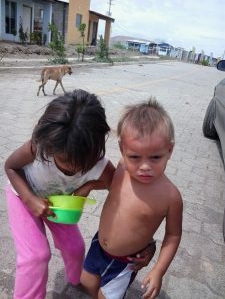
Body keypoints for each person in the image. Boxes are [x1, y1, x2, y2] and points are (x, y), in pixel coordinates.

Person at [4, 89, 115, 299]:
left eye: (79, 166)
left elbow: (119, 189)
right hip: (22, 195)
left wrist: (89, 185)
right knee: (36, 256)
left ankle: (76, 281)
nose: (71, 170)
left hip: (57, 203)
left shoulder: (99, 162)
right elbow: (10, 167)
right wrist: (29, 199)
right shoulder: (40, 146)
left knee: (75, 247)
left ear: (95, 148)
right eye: (63, 162)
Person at [81, 98, 183, 299]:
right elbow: (113, 185)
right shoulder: (122, 167)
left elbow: (173, 236)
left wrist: (158, 271)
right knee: (87, 282)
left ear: (169, 150)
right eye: (135, 157)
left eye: (155, 157)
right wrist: (91, 185)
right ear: (122, 150)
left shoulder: (171, 196)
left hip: (125, 262)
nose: (144, 167)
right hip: (98, 246)